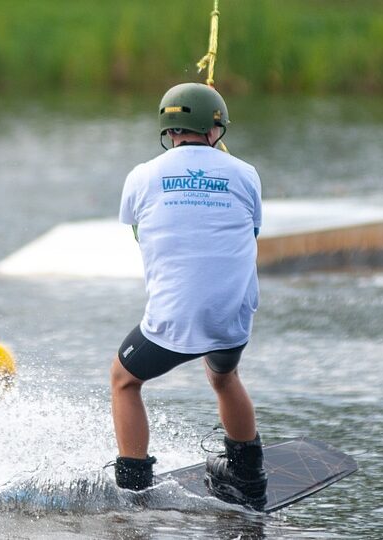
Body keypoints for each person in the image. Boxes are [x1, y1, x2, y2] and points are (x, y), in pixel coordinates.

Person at [110, 83, 267, 511]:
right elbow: (250, 233)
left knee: (125, 380)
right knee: (223, 377)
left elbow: (139, 231)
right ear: (216, 129)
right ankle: (248, 477)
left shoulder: (142, 175)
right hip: (231, 320)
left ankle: (134, 486)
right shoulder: (246, 173)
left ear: (168, 129)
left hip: (171, 322)